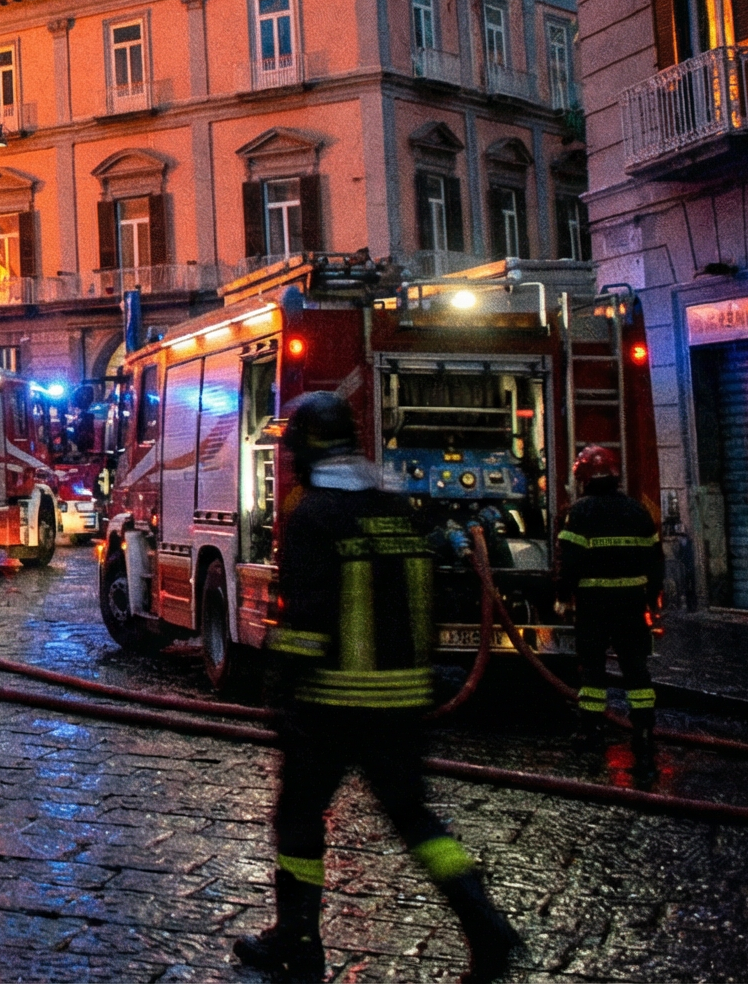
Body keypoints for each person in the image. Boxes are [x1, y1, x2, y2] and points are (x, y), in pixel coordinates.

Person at [235, 392, 518, 984]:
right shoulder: (398, 508)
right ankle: (485, 923)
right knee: (417, 821)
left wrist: (279, 690)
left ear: (305, 452)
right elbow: (427, 601)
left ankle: (299, 941)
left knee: (298, 819)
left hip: (331, 705)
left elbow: (306, 621)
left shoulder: (313, 516)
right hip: (401, 702)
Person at [556, 446, 665, 756]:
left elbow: (570, 563)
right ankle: (643, 729)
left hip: (594, 606)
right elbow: (655, 561)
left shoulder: (579, 513)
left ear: (584, 479)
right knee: (636, 670)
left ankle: (590, 730)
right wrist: (653, 600)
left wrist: (563, 598)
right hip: (632, 604)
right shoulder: (637, 511)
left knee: (592, 672)